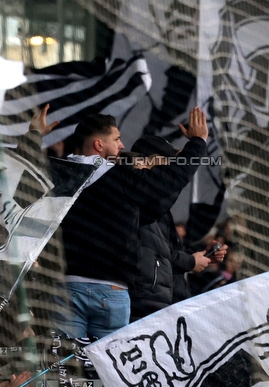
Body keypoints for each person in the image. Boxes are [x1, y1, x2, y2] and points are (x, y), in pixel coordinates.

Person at [57, 107, 209, 339]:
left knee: (64, 368)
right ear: (99, 145)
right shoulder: (120, 179)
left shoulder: (57, 175)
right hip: (111, 290)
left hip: (65, 288)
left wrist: (33, 137)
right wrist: (197, 142)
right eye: (116, 139)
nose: (122, 146)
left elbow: (19, 178)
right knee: (108, 371)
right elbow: (169, 180)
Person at [128, 135, 227, 320]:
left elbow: (166, 251)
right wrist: (191, 262)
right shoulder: (141, 203)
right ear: (152, 161)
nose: (172, 168)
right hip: (145, 303)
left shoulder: (161, 208)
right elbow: (155, 253)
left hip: (166, 301)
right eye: (169, 161)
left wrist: (201, 255)